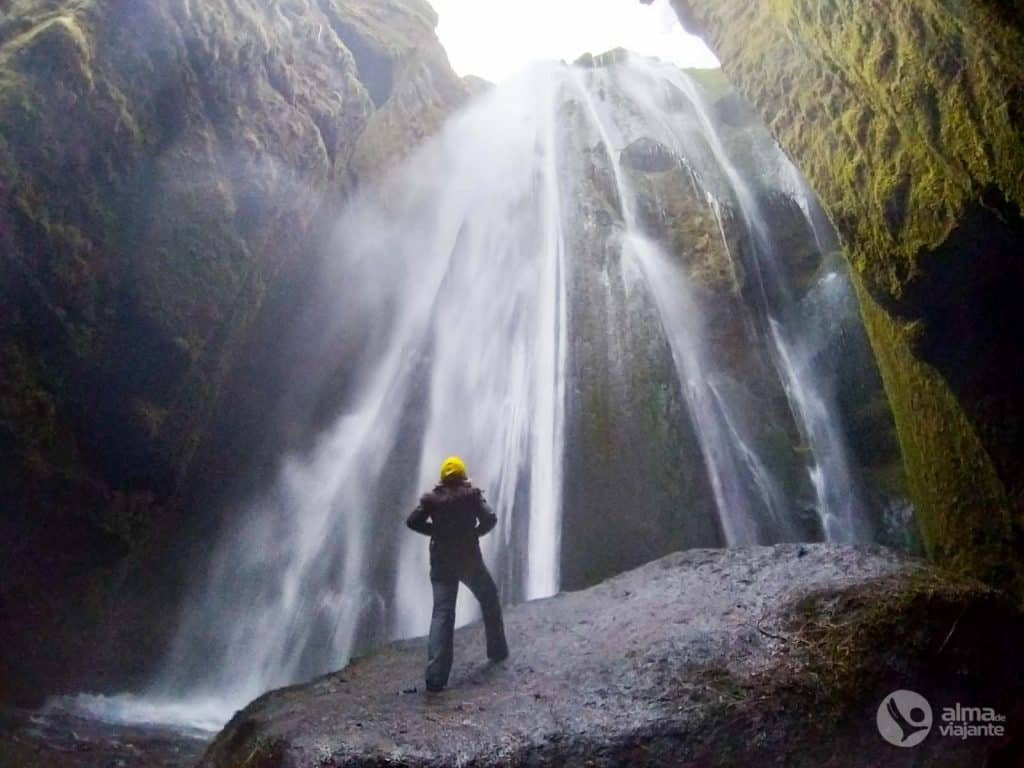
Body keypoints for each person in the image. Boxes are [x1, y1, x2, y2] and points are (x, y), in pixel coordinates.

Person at [406, 456, 509, 692]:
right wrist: (474, 533)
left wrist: (435, 531)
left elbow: (412, 521)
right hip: (468, 559)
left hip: (441, 562)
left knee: (442, 614)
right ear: (463, 475)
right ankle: (497, 650)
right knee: (489, 597)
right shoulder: (471, 496)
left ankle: (435, 677)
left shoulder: (432, 500)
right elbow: (490, 518)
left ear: (443, 478)